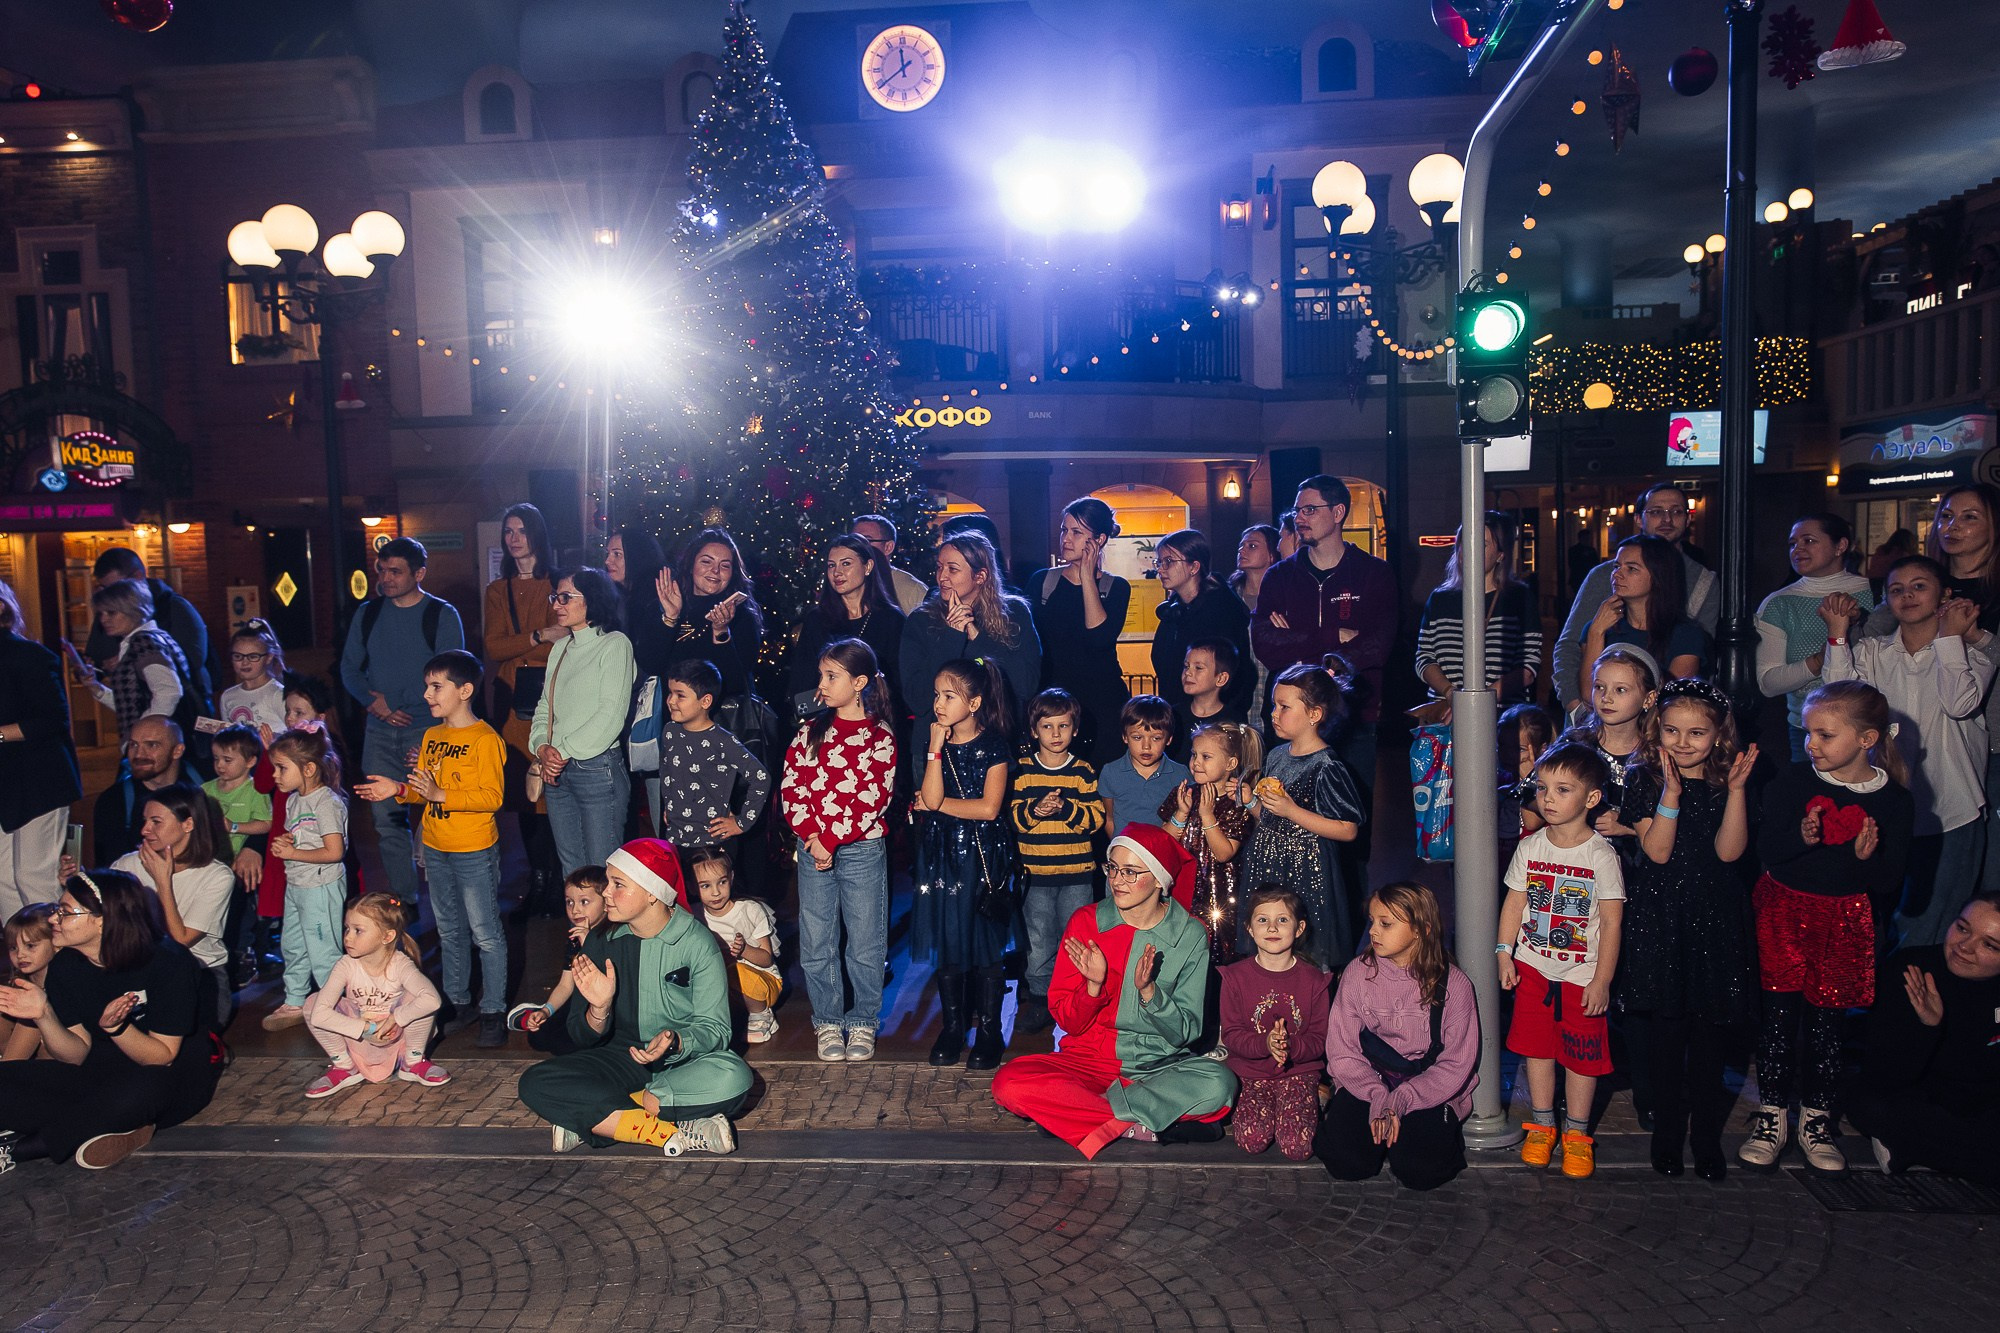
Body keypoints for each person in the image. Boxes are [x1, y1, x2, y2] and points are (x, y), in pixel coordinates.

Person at [1744, 681, 1914, 1174]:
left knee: (1827, 1029)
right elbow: (1768, 853)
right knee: (1778, 1023)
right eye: (1808, 732)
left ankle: (1816, 1120)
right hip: (1784, 912)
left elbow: (1889, 883)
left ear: (1866, 739)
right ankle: (1771, 1115)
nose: (1810, 743)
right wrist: (1800, 836)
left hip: (1845, 920)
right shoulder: (1794, 783)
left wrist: (1867, 858)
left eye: (1824, 734)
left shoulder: (1896, 801)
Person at [990, 824, 1238, 1158]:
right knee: (1008, 1083)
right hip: (1086, 1064)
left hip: (1156, 1068)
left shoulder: (1190, 934)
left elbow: (1186, 1033)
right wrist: (1093, 988)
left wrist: (1150, 993)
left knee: (1219, 1085)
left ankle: (1077, 1116)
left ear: (1160, 879)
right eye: (1113, 868)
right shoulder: (1086, 921)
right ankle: (1145, 1123)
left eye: (1131, 871)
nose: (1117, 880)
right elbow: (1068, 1020)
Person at [517, 838, 752, 1157]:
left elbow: (716, 1030)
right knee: (535, 1081)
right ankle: (675, 1130)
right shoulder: (601, 941)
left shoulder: (698, 943)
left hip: (682, 1064)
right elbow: (579, 1035)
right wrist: (598, 1010)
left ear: (652, 893)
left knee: (734, 1075)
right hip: (621, 1058)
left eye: (617, 884)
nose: (605, 893)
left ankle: (594, 1119)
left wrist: (676, 1040)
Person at [1618, 679, 1760, 1180]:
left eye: (1696, 733)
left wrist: (1738, 792)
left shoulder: (1729, 782)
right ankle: (1668, 1135)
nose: (1682, 742)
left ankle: (1705, 1139)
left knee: (1709, 1038)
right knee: (1665, 1035)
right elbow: (1656, 851)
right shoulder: (1643, 780)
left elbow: (1729, 852)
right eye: (1673, 731)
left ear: (1719, 736)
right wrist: (1672, 795)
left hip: (1715, 918)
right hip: (1660, 917)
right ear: (1657, 730)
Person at [1821, 560, 1995, 947]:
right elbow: (1839, 703)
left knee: (1933, 920)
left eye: (1919, 586)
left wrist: (1950, 639)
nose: (1907, 596)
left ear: (1944, 595)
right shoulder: (1872, 651)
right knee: (1880, 915)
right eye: (1897, 590)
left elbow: (1958, 704)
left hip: (1951, 810)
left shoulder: (1972, 654)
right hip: (1886, 805)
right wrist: (1837, 635)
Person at [0, 868, 221, 1170]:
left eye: (65, 913)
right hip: (101, 1073)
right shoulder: (65, 965)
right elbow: (76, 1054)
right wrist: (44, 1015)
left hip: (170, 1074)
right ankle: (121, 1128)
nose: (54, 919)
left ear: (102, 918)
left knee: (140, 1091)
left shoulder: (168, 962)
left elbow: (162, 1056)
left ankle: (20, 1149)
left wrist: (117, 1029)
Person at [356, 650, 510, 1048]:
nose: (427, 694)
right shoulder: (432, 736)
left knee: (485, 933)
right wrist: (398, 790)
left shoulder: (485, 739)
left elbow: (492, 796)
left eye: (436, 686)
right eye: (427, 685)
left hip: (474, 849)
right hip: (439, 848)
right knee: (449, 929)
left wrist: (441, 792)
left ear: (465, 690)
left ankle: (493, 1007)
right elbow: (425, 793)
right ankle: (459, 1002)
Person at [1499, 741, 1625, 1179]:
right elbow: (1514, 904)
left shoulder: (1601, 855)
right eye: (1543, 788)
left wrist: (1603, 980)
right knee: (1537, 1051)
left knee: (1581, 1056)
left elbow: (1611, 924)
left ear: (1591, 799)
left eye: (1562, 789)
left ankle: (1576, 1133)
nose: (1548, 798)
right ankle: (1542, 1125)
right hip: (1534, 968)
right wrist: (1504, 953)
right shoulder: (1531, 846)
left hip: (1582, 976)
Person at [1319, 883, 1479, 1190]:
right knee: (1347, 1163)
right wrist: (1377, 1096)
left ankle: (1408, 1139)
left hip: (1426, 1084)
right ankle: (1374, 1137)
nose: (1373, 932)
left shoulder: (1454, 985)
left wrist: (1403, 1100)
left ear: (1421, 929)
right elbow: (1343, 1051)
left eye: (1386, 924)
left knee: (1421, 1172)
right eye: (1372, 921)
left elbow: (1456, 1063)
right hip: (1369, 1079)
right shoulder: (1357, 973)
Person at [780, 639, 896, 1060]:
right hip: (813, 849)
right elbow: (792, 786)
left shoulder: (879, 736)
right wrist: (812, 836)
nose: (822, 685)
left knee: (864, 939)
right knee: (817, 937)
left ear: (859, 682)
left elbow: (871, 797)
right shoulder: (810, 730)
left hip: (861, 849)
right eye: (822, 675)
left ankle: (863, 1019)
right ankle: (828, 1020)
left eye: (832, 676)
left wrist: (829, 839)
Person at [1251, 476, 1397, 802]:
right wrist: (1331, 637)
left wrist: (1296, 641)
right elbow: (1265, 645)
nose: (1299, 519)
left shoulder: (1374, 573)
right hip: (1289, 721)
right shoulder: (1280, 576)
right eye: (1297, 511)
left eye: (1310, 510)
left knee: (1351, 825)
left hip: (1353, 720)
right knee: (1285, 817)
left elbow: (1378, 646)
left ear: (1338, 512)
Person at [339, 537, 467, 910]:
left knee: (439, 815)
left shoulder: (441, 614)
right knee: (386, 819)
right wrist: (374, 703)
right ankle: (405, 902)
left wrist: (397, 703)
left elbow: (452, 672)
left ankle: (451, 900)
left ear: (419, 573)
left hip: (429, 729)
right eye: (381, 569)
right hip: (380, 732)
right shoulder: (369, 613)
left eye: (395, 571)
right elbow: (349, 667)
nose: (386, 578)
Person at [1847, 896, 2000, 1185]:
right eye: (1963, 928)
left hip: (1982, 1106)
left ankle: (1909, 1148)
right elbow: (1883, 1076)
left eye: (1989, 945)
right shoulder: (1913, 968)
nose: (1964, 947)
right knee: (1869, 1106)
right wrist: (1927, 1026)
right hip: (1919, 1097)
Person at [911, 658, 1015, 1070]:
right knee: (949, 942)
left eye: (949, 696)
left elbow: (989, 809)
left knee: (986, 946)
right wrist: (935, 750)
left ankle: (988, 1032)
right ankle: (953, 1027)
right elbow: (930, 796)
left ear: (973, 703)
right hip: (942, 857)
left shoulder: (994, 746)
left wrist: (938, 806)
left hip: (983, 855)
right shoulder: (934, 743)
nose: (939, 703)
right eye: (937, 694)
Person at [1239, 663, 1365, 965]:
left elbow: (1348, 829)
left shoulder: (1326, 766)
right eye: (1274, 705)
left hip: (1306, 870)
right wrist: (1251, 804)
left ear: (1314, 715)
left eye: (1284, 707)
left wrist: (1292, 810)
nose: (1274, 714)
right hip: (1268, 864)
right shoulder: (1276, 756)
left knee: (1304, 948)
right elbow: (1270, 819)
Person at [1554, 483, 1719, 713]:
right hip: (1596, 721)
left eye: (1676, 511)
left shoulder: (1702, 582)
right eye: (1656, 512)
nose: (1667, 519)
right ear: (1639, 519)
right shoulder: (1603, 576)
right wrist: (1576, 709)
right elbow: (1569, 646)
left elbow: (1695, 664)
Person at [1010, 689, 1107, 1035]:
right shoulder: (1021, 771)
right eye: (1047, 726)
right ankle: (1040, 999)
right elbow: (1013, 819)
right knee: (1039, 940)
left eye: (1063, 726)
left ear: (1074, 729)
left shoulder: (1082, 772)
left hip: (1077, 874)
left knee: (1077, 939)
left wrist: (1065, 808)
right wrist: (1035, 811)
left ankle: (1078, 998)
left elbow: (1095, 819)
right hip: (1035, 874)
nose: (1055, 734)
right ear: (1034, 730)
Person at [95, 786, 234, 1027]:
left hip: (198, 972)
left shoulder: (217, 876)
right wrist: (73, 883)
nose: (144, 830)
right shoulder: (130, 863)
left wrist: (163, 881)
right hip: (141, 969)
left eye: (156, 822)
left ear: (188, 824)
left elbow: (180, 942)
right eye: (145, 821)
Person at [530, 568, 637, 877]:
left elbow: (610, 716)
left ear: (593, 600)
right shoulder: (561, 648)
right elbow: (545, 708)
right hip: (556, 771)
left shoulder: (615, 644)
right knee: (573, 872)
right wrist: (542, 747)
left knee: (604, 872)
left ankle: (609, 928)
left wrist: (560, 752)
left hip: (597, 770)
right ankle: (583, 927)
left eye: (565, 597)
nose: (556, 605)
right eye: (555, 597)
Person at [483, 503, 562, 911]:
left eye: (521, 530)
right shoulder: (498, 591)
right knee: (524, 793)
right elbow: (494, 647)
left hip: (554, 695)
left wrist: (528, 642)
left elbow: (565, 636)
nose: (514, 538)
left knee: (554, 790)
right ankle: (539, 879)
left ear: (537, 534)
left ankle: (560, 880)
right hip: (514, 703)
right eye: (508, 531)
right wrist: (536, 635)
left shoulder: (558, 583)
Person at [901, 530, 1040, 751]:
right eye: (939, 567)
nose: (942, 577)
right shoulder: (921, 620)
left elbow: (1025, 685)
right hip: (937, 748)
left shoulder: (1014, 613)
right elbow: (917, 699)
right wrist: (952, 637)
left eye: (952, 569)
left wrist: (977, 638)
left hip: (1000, 745)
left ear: (980, 576)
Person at [301, 893, 449, 1097]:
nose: (348, 937)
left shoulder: (400, 964)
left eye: (358, 931)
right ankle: (344, 1067)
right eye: (347, 929)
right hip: (360, 1041)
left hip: (397, 1041)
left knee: (419, 999)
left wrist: (395, 1018)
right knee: (312, 1002)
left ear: (387, 936)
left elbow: (432, 999)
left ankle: (413, 1062)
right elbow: (318, 1014)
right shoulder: (346, 965)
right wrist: (366, 1027)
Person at [1221, 886, 1329, 1161]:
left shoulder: (1315, 980)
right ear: (1249, 928)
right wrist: (1265, 1042)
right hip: (1252, 1073)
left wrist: (1291, 1045)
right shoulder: (1234, 978)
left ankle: (1314, 1098)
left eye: (1282, 919)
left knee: (1296, 1147)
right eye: (1262, 920)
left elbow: (1319, 1038)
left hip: (1298, 1072)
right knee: (1252, 1140)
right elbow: (1232, 1035)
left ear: (1299, 927)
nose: (1272, 927)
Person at [1756, 514, 1876, 762]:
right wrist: (1821, 659)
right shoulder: (1779, 603)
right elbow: (1768, 683)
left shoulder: (1876, 592)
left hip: (1870, 724)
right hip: (1808, 731)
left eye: (1809, 540)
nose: (1798, 549)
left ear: (1840, 546)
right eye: (1792, 544)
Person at [1028, 497, 1132, 764]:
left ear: (1099, 540)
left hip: (1102, 706)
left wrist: (1087, 576)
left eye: (1076, 532)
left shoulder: (1116, 587)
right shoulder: (1042, 581)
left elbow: (1099, 639)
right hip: (1055, 705)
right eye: (1064, 529)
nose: (1066, 538)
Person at [0, 578, 81, 919]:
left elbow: (52, 720)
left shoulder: (29, 655)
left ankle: (58, 960)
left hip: (38, 779)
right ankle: (27, 958)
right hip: (7, 781)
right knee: (3, 879)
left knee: (32, 875)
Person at [259, 727, 349, 1032]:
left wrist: (293, 853)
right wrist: (287, 844)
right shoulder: (294, 800)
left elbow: (334, 851)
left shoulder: (326, 802)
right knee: (293, 945)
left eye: (282, 768)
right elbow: (302, 838)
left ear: (309, 769)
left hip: (320, 887)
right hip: (297, 886)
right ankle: (296, 998)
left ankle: (337, 1007)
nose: (275, 775)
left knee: (324, 950)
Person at [1414, 511, 1542, 712]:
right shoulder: (1440, 598)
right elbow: (1424, 658)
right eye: (1466, 541)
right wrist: (1450, 694)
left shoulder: (1518, 598)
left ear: (1500, 554)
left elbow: (1528, 667)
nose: (1471, 549)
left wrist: (1477, 703)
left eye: (1482, 544)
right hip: (1446, 717)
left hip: (1501, 717)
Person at [785, 533, 907, 726]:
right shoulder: (817, 620)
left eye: (846, 564)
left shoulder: (891, 620)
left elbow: (900, 689)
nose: (837, 573)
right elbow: (799, 697)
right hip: (826, 730)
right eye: (831, 565)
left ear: (867, 567)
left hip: (876, 730)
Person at [654, 658, 771, 858]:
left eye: (680, 695)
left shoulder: (722, 741)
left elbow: (760, 777)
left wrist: (742, 822)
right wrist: (670, 805)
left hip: (712, 844)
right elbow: (667, 771)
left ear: (705, 701)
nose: (671, 701)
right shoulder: (670, 731)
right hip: (675, 838)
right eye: (670, 693)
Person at [1163, 722, 1258, 965]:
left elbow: (1224, 853)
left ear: (1230, 764)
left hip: (1220, 898)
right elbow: (1163, 843)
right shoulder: (1185, 794)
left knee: (1217, 955)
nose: (1196, 762)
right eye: (1194, 754)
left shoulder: (1237, 803)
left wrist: (1207, 815)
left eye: (1206, 757)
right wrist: (1181, 814)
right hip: (1181, 892)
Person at [1576, 535, 1709, 703]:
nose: (1617, 574)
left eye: (1631, 569)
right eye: (1616, 566)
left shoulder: (1686, 635)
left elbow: (1671, 701)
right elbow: (1590, 696)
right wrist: (1596, 632)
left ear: (1658, 576)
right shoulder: (1598, 629)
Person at [634, 528, 763, 703]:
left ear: (732, 573)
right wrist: (671, 617)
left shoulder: (741, 615)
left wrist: (721, 631)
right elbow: (650, 665)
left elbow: (734, 684)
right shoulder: (668, 603)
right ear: (691, 565)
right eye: (706, 562)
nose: (715, 570)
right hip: (669, 718)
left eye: (725, 565)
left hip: (720, 722)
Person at [83, 546, 213, 712]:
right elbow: (132, 703)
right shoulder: (115, 620)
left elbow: (177, 681)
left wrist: (150, 731)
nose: (110, 596)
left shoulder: (171, 611)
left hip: (177, 722)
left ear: (137, 576)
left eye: (117, 588)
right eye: (104, 589)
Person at [70, 579, 196, 747]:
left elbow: (169, 692)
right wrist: (96, 688)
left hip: (155, 748)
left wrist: (143, 736)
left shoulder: (144, 642)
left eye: (111, 612)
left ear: (134, 610)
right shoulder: (151, 638)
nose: (104, 619)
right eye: (101, 613)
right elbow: (131, 704)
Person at [1152, 528, 1253, 720]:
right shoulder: (1173, 611)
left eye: (1169, 562)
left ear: (1194, 567)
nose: (1161, 569)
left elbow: (1237, 675)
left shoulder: (1221, 611)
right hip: (1177, 715)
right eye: (1159, 562)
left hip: (1212, 720)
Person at [511, 866, 611, 1056]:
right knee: (539, 1037)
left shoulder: (614, 933)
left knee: (578, 1045)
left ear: (606, 902)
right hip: (579, 1002)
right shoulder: (574, 938)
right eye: (569, 902)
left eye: (584, 901)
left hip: (605, 1007)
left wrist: (589, 943)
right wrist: (546, 1011)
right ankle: (534, 1011)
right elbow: (566, 985)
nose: (575, 909)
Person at [688, 846, 782, 1045]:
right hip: (720, 987)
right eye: (705, 886)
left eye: (721, 882)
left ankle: (761, 1015)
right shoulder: (695, 916)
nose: (716, 892)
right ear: (691, 887)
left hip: (763, 984)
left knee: (736, 970)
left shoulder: (750, 910)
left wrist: (744, 950)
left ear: (731, 878)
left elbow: (766, 959)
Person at [92, 717, 189, 866]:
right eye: (133, 745)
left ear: (177, 751)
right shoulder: (114, 801)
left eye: (151, 745)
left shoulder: (202, 789)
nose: (138, 754)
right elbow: (109, 868)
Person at [1098, 695, 1187, 834]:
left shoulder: (1181, 775)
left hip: (1162, 851)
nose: (1146, 746)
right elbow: (1109, 819)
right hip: (1123, 851)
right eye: (1137, 737)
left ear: (1168, 739)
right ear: (1125, 737)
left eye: (1156, 738)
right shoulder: (1110, 772)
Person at [2, 904, 60, 1062]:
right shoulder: (16, 985)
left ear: (56, 943)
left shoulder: (62, 986)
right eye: (13, 948)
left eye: (30, 946)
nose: (20, 955)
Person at [1172, 640, 1249, 756]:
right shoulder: (1173, 715)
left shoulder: (1233, 720)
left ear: (1221, 679)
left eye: (1198, 668)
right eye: (1186, 666)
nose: (1188, 672)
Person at [217, 619, 288, 733]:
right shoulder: (227, 696)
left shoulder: (278, 694)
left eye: (253, 656)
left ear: (269, 657)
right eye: (238, 656)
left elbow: (295, 736)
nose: (245, 662)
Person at [853, 513, 929, 616]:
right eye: (854, 540)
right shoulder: (845, 582)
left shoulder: (912, 590)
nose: (858, 547)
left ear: (888, 547)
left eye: (867, 540)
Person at [1230, 525, 1281, 615]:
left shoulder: (1284, 596)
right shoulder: (1228, 595)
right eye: (1241, 545)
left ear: (1272, 555)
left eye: (1252, 546)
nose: (1241, 550)